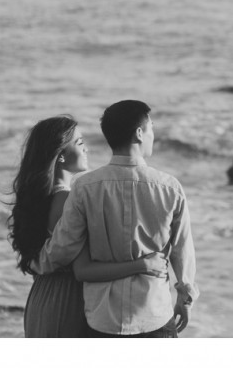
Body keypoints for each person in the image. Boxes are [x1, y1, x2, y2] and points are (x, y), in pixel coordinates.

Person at [36, 100, 199, 337]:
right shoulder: (169, 187)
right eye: (151, 128)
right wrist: (185, 300)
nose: (154, 135)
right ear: (140, 133)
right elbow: (182, 250)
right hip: (153, 314)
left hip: (102, 319)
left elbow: (64, 246)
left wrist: (35, 261)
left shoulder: (85, 187)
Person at [7, 115, 169, 337]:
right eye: (80, 143)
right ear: (60, 155)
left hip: (41, 297)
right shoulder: (66, 201)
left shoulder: (39, 200)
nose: (87, 149)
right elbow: (84, 270)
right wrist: (143, 265)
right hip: (68, 302)